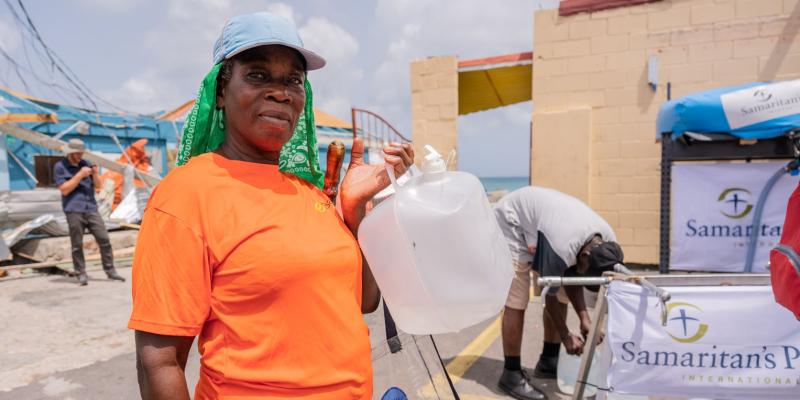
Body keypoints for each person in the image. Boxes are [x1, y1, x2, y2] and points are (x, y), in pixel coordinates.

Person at [127, 12, 414, 400]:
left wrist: (354, 210)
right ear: (221, 90)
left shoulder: (308, 192)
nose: (280, 92)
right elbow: (158, 363)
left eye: (293, 80)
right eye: (258, 75)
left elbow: (364, 301)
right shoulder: (187, 194)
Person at [494, 186, 623, 400]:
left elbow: (572, 275)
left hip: (550, 224)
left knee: (564, 290)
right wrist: (566, 335)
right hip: (512, 221)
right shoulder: (561, 247)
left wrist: (584, 319)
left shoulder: (608, 240)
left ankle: (549, 360)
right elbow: (549, 294)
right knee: (517, 299)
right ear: (585, 255)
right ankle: (511, 374)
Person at [54, 138, 125, 286]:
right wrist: (79, 175)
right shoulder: (60, 167)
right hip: (73, 209)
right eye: (77, 153)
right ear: (70, 153)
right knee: (77, 244)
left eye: (81, 153)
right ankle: (81, 273)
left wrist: (94, 174)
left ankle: (110, 270)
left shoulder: (85, 164)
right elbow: (64, 189)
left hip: (91, 208)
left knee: (104, 239)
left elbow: (98, 186)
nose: (80, 156)